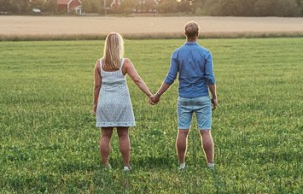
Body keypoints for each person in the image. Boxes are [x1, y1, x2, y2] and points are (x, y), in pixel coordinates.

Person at [150, 21, 218, 170]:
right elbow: (210, 78)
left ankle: (182, 165)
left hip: (184, 98)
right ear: (198, 34)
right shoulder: (206, 53)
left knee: (182, 131)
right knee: (205, 132)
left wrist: (157, 94)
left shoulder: (177, 53)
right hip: (202, 97)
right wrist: (214, 96)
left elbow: (170, 78)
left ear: (184, 34)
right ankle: (210, 165)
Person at [93, 32, 154, 171]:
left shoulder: (99, 64)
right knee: (124, 135)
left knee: (105, 135)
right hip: (122, 102)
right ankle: (126, 165)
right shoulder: (125, 63)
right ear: (119, 46)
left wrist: (96, 103)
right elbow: (137, 80)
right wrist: (150, 94)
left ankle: (105, 165)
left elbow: (97, 86)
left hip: (105, 102)